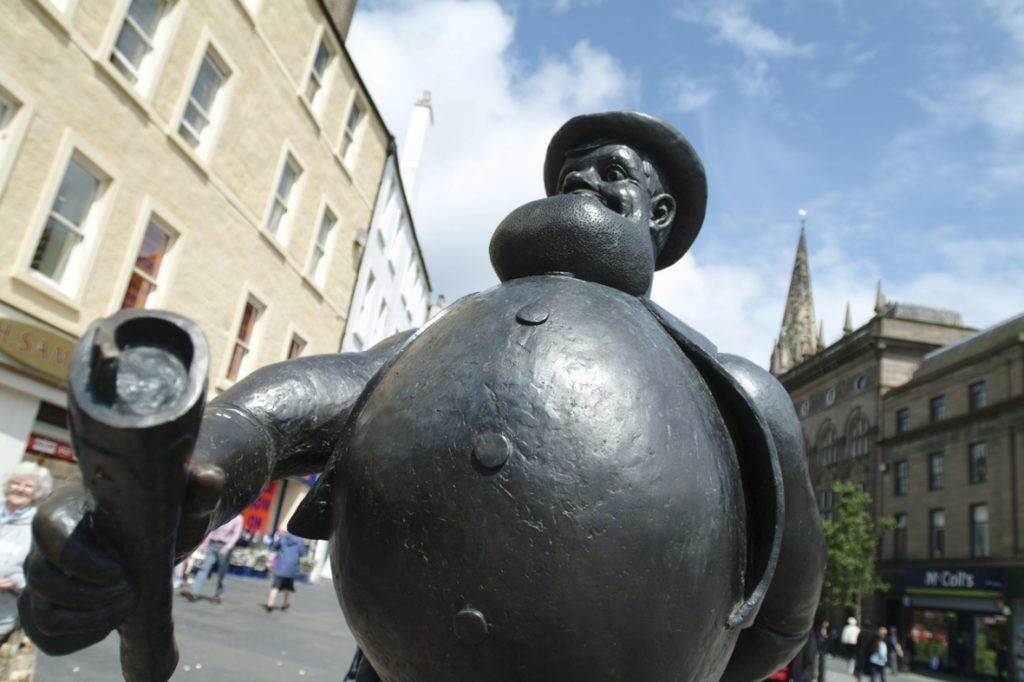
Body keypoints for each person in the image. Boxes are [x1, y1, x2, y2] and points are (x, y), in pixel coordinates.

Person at [21, 112, 825, 682]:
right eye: (569, 166)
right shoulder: (439, 333)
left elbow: (782, 623)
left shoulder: (732, 393)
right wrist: (167, 494)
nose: (580, 176)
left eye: (609, 168)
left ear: (656, 215)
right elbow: (291, 408)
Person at [0, 462, 52, 641]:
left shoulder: (39, 528)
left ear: (37, 493)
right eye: (16, 482)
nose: (20, 489)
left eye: (28, 486)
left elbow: (41, 577)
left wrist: (14, 582)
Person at [181, 515, 243, 605]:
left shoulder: (238, 518)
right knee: (203, 568)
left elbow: (236, 534)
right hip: (212, 545)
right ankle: (193, 592)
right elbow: (211, 530)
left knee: (222, 573)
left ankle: (218, 595)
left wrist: (227, 547)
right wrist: (204, 544)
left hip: (224, 547)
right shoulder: (220, 513)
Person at [263, 523, 306, 612]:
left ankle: (270, 604)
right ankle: (284, 603)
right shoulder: (300, 540)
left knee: (275, 585)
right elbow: (302, 553)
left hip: (281, 565)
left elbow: (275, 546)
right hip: (292, 567)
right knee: (288, 586)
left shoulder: (283, 537)